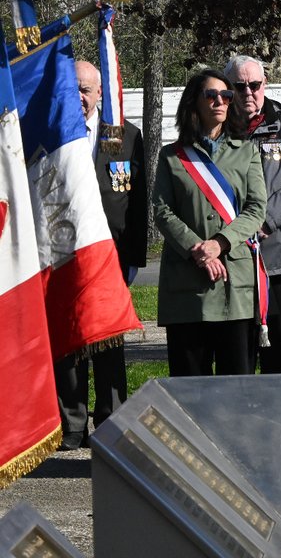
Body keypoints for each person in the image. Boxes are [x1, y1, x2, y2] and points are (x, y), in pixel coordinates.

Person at [55, 60, 148, 450]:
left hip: (111, 255)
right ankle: (71, 425)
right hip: (66, 253)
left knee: (109, 338)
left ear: (99, 93)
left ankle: (110, 419)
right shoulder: (53, 132)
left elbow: (137, 202)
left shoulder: (124, 136)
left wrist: (135, 258)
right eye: (72, 88)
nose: (79, 96)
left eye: (85, 89)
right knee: (70, 340)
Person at [152, 69, 267, 376]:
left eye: (226, 96)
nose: (220, 101)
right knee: (189, 386)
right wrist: (198, 250)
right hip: (188, 284)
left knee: (237, 386)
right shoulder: (172, 156)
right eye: (211, 95)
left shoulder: (246, 151)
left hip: (235, 283)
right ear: (194, 102)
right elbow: (162, 210)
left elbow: (256, 207)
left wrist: (219, 244)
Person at [225, 56, 281, 374]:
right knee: (237, 358)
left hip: (279, 258)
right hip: (232, 260)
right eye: (239, 86)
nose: (248, 92)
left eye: (255, 84)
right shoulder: (217, 131)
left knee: (279, 353)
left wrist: (265, 220)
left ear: (265, 84)